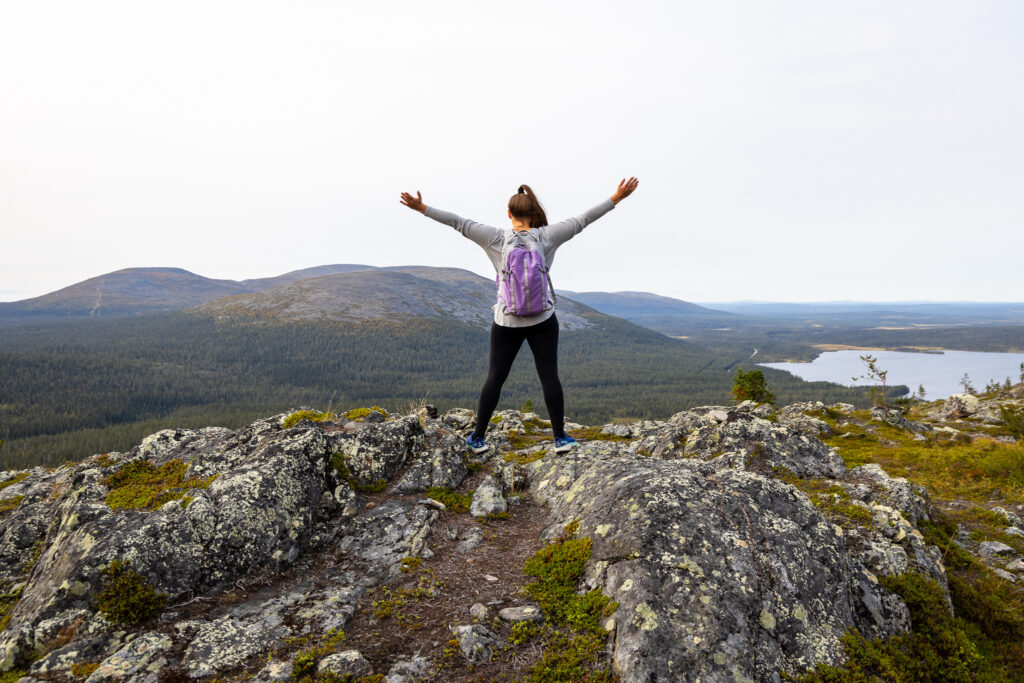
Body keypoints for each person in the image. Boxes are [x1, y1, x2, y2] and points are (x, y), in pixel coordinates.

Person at [399, 177, 639, 453]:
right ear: (533, 212)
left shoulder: (496, 238)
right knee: (549, 376)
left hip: (506, 322)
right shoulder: (547, 236)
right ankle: (560, 437)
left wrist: (422, 207)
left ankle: (477, 438)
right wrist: (617, 197)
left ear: (509, 214)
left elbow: (459, 223)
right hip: (542, 320)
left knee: (495, 378)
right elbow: (583, 219)